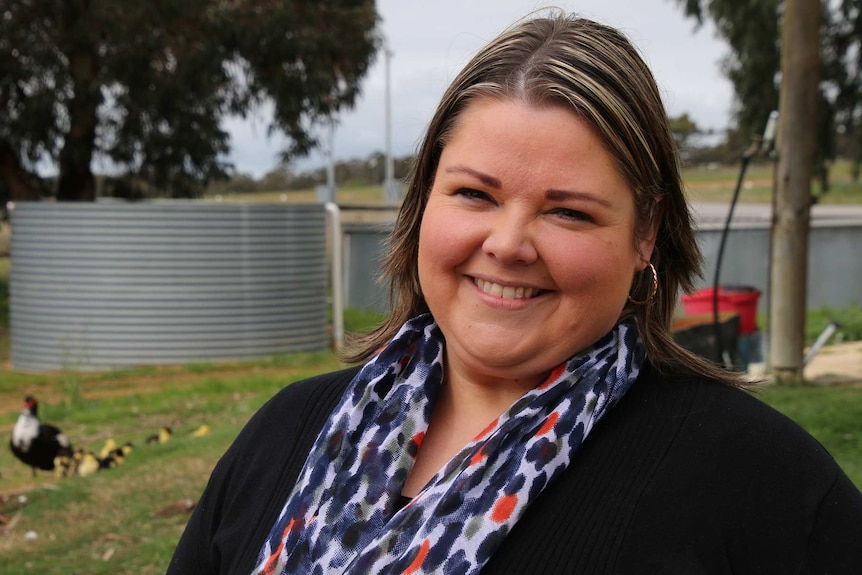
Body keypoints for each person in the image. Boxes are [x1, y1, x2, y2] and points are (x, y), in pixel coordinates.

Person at [168, 11, 862, 575]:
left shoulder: (754, 478)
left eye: (568, 211)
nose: (508, 243)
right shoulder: (287, 430)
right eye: (474, 193)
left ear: (646, 230)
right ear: (424, 201)